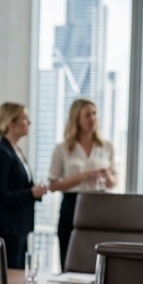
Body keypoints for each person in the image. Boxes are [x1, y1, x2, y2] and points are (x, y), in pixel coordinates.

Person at [48, 98, 117, 267]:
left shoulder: (106, 146)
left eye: (94, 114)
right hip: (72, 204)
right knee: (69, 254)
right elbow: (53, 185)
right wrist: (82, 176)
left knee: (97, 255)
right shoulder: (63, 148)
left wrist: (107, 176)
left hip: (99, 203)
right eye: (87, 115)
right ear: (76, 119)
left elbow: (113, 182)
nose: (92, 118)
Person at [0, 103, 47, 269]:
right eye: (24, 118)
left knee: (19, 274)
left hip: (18, 226)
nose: (29, 122)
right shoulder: (1, 153)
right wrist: (31, 193)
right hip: (6, 228)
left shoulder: (15, 150)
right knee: (9, 276)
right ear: (11, 123)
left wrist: (35, 191)